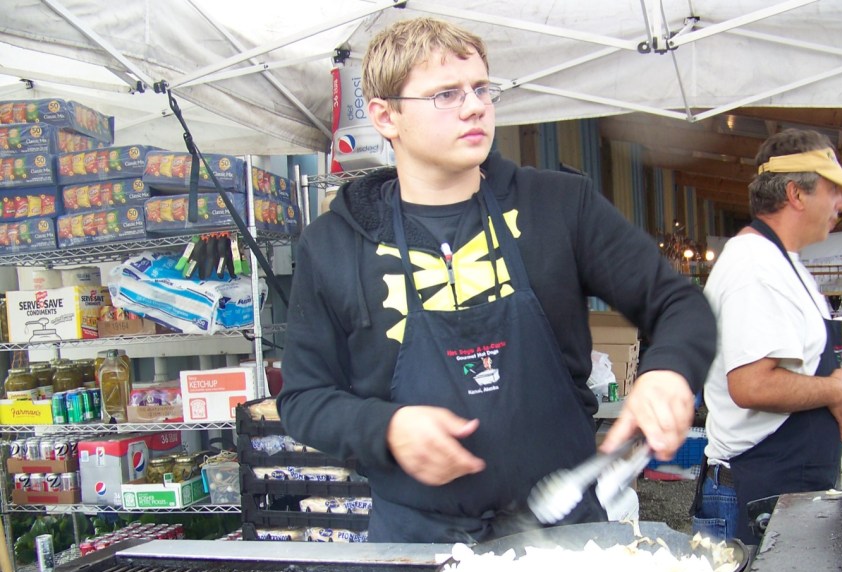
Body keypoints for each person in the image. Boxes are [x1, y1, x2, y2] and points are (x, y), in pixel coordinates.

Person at [278, 17, 716, 543]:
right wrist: (386, 429)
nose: (474, 106)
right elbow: (304, 398)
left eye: (481, 89)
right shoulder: (334, 244)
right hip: (417, 544)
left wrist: (668, 371)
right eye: (445, 95)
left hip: (565, 535)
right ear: (386, 115)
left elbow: (678, 304)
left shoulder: (557, 207)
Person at [692, 128, 842, 545]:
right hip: (754, 499)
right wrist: (832, 392)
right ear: (795, 194)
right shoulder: (753, 267)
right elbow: (751, 384)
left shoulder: (784, 263)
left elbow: (825, 362)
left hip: (784, 493)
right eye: (833, 190)